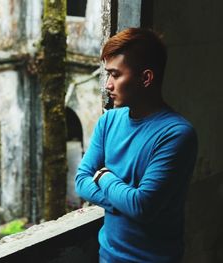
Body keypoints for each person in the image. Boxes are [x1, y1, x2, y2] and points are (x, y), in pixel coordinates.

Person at [75, 28, 198, 263]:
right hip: (108, 256)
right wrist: (126, 199)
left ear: (146, 78)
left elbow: (142, 207)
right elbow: (81, 181)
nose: (108, 85)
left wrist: (103, 176)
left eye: (115, 75)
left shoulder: (176, 134)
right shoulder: (108, 121)